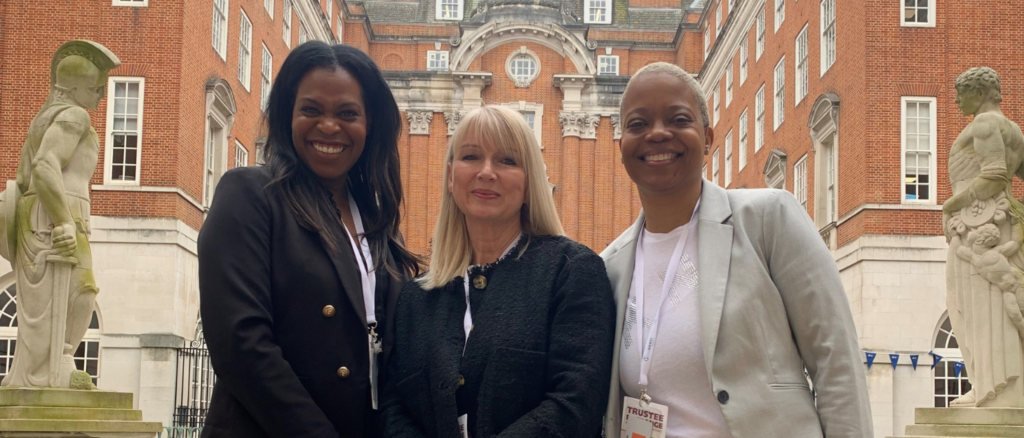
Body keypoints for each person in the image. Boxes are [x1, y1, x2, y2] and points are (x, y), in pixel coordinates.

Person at [601, 62, 872, 438]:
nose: (658, 133)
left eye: (678, 119)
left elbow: (836, 360)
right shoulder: (610, 267)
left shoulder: (769, 219)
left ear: (707, 137)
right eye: (638, 124)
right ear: (622, 147)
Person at [198, 41, 420, 438]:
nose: (329, 126)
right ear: (288, 115)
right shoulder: (250, 194)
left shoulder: (380, 225)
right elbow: (241, 344)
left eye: (348, 113)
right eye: (311, 110)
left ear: (370, 124)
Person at [379, 105, 615, 438]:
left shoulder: (570, 272)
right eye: (471, 156)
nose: (487, 172)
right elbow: (394, 406)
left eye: (507, 160)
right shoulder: (417, 297)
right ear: (451, 177)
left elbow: (576, 403)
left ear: (530, 181)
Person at [1, 40, 119, 389]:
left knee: (66, 295)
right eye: (96, 88)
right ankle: (58, 366)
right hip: (57, 215)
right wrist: (64, 221)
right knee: (82, 292)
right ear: (76, 88)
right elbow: (44, 164)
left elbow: (24, 177)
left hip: (44, 214)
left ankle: (49, 370)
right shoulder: (74, 116)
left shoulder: (43, 120)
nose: (101, 96)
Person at [943, 66, 1024, 407]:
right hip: (995, 221)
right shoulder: (1013, 129)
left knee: (974, 309)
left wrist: (951, 204)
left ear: (979, 92)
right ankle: (993, 384)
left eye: (961, 92)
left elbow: (994, 175)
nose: (957, 100)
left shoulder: (985, 123)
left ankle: (990, 388)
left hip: (979, 226)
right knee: (984, 309)